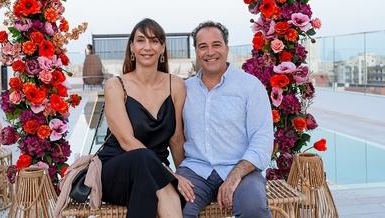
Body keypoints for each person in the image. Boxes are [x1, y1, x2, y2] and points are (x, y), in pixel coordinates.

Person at [176, 21, 274, 218]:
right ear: (196, 51)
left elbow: (262, 140)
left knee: (252, 206)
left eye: (216, 44)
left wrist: (235, 175)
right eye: (203, 46)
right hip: (196, 170)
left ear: (227, 48)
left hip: (241, 169)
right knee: (174, 206)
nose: (210, 52)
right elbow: (174, 135)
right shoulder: (184, 89)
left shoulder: (250, 86)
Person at [98, 18, 189, 218]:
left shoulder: (176, 85)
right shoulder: (115, 86)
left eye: (154, 41)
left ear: (162, 47)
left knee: (157, 186)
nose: (147, 47)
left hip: (153, 175)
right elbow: (126, 141)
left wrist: (183, 174)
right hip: (117, 171)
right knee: (146, 162)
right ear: (132, 46)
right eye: (140, 40)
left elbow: (176, 139)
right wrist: (170, 175)